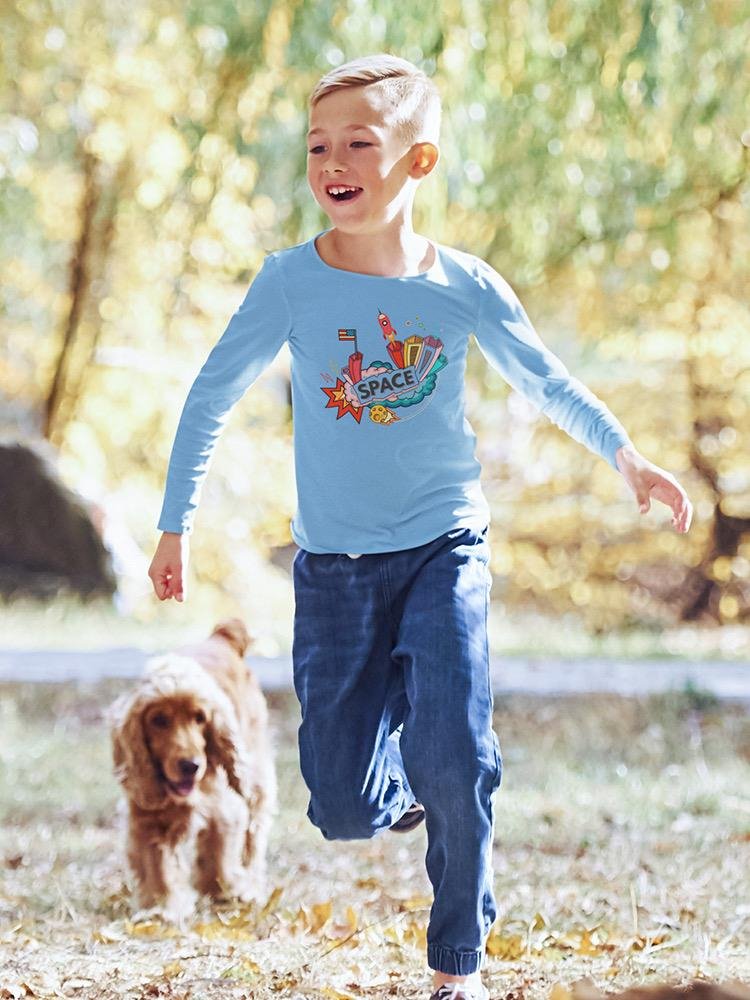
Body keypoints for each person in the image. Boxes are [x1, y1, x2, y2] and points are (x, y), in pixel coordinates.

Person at [148, 53, 693, 1000]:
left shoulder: (463, 284)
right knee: (344, 802)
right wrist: (173, 524)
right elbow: (208, 397)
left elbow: (545, 378)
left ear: (419, 162)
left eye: (360, 142)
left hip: (447, 548)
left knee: (459, 755)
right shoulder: (290, 283)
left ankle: (457, 964)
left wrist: (625, 453)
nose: (333, 161)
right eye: (318, 145)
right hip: (335, 573)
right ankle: (417, 780)